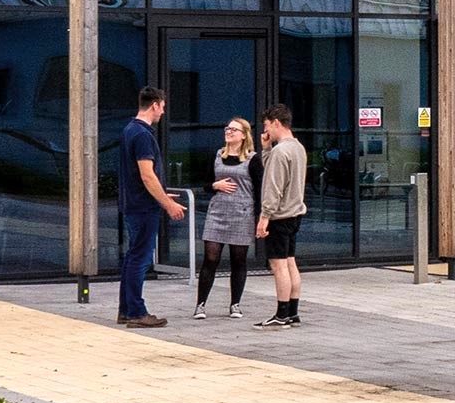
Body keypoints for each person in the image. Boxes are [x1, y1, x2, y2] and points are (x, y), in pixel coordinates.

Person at [115, 86, 183, 329]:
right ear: (154, 105)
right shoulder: (143, 135)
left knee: (133, 256)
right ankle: (136, 312)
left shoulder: (129, 130)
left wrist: (162, 192)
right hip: (143, 207)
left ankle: (126, 310)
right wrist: (167, 203)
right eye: (162, 107)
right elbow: (146, 175)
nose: (163, 112)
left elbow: (140, 176)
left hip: (134, 203)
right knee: (140, 259)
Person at [192, 116, 259, 320]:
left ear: (243, 135)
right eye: (227, 128)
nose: (228, 132)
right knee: (210, 258)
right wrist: (215, 186)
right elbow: (204, 184)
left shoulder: (253, 159)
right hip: (218, 212)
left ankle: (235, 304)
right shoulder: (217, 155)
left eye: (234, 129)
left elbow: (260, 188)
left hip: (242, 213)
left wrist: (261, 217)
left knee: (238, 260)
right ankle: (200, 304)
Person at [255, 103, 309, 328]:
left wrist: (264, 216)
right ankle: (293, 311)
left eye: (267, 126)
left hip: (279, 215)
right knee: (290, 261)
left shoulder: (280, 151)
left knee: (278, 265)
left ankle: (281, 313)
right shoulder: (298, 147)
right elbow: (275, 170)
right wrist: (267, 149)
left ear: (277, 122)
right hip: (295, 212)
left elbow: (273, 185)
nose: (266, 132)